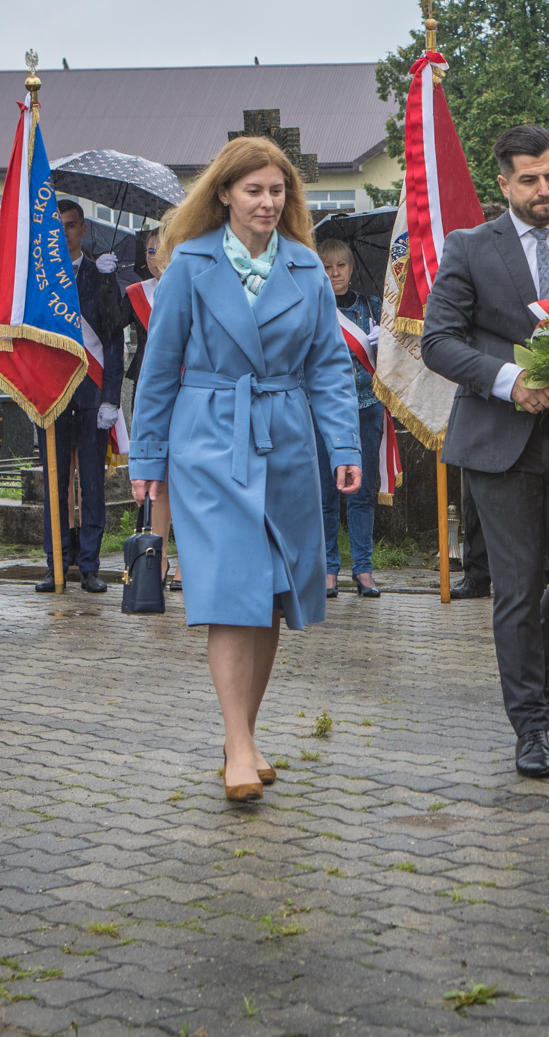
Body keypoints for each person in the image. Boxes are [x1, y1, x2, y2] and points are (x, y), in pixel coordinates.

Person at [127, 137, 362, 801]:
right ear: (224, 193)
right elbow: (158, 366)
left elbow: (329, 366)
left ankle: (247, 732)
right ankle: (235, 744)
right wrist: (147, 458)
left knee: (271, 596)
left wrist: (344, 446)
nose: (266, 201)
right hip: (207, 440)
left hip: (285, 439)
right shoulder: (190, 265)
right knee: (233, 589)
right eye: (253, 189)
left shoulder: (308, 268)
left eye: (276, 190)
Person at [420, 124, 549, 779]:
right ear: (504, 184)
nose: (546, 190)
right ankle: (532, 729)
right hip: (497, 442)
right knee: (515, 589)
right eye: (532, 179)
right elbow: (438, 341)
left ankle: (528, 668)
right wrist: (512, 381)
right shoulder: (469, 248)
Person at [34, 201, 125, 594]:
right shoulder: (40, 279)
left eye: (71, 226)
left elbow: (114, 339)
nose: (65, 233)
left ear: (83, 229)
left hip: (91, 393)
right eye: (59, 227)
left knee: (91, 484)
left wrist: (112, 398)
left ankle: (88, 565)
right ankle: (56, 563)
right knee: (54, 483)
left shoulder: (100, 273)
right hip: (51, 392)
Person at [316, 239, 383, 599]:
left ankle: (363, 568)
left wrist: (381, 344)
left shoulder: (372, 308)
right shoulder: (313, 309)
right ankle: (328, 568)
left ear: (351, 269)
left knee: (362, 490)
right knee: (326, 492)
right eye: (327, 267)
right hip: (323, 411)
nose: (335, 273)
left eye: (341, 266)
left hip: (366, 406)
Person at [126, 228, 178, 590]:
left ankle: (187, 564)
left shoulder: (193, 286)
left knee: (186, 481)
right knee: (156, 482)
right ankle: (155, 560)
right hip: (152, 391)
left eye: (162, 250)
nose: (155, 257)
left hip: (189, 392)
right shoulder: (135, 295)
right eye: (149, 251)